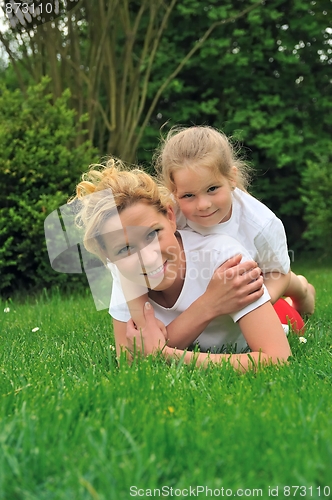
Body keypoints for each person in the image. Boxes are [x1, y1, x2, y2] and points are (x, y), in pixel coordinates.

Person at [74, 158, 292, 371]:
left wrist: (162, 354)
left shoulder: (225, 258)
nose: (148, 258)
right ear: (107, 255)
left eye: (152, 233)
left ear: (170, 217)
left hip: (272, 313)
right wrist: (208, 305)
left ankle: (298, 287)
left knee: (288, 303)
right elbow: (130, 363)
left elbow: (278, 359)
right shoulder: (124, 275)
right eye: (125, 249)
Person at [154, 125, 315, 318]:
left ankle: (304, 291)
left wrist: (258, 303)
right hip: (213, 281)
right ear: (174, 191)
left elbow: (278, 273)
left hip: (258, 274)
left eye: (212, 188)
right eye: (188, 195)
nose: (203, 205)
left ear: (231, 178)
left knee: (289, 282)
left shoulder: (261, 223)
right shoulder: (171, 214)